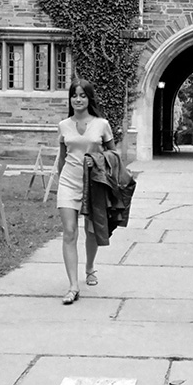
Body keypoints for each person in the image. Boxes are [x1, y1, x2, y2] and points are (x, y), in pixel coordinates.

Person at [56, 78, 116, 305]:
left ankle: (90, 267)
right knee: (69, 232)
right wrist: (59, 184)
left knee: (91, 232)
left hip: (94, 184)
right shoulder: (63, 126)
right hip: (68, 182)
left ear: (89, 98)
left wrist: (98, 161)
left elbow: (114, 155)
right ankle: (73, 286)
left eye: (82, 95)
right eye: (74, 95)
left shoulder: (101, 124)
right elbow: (63, 158)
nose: (78, 99)